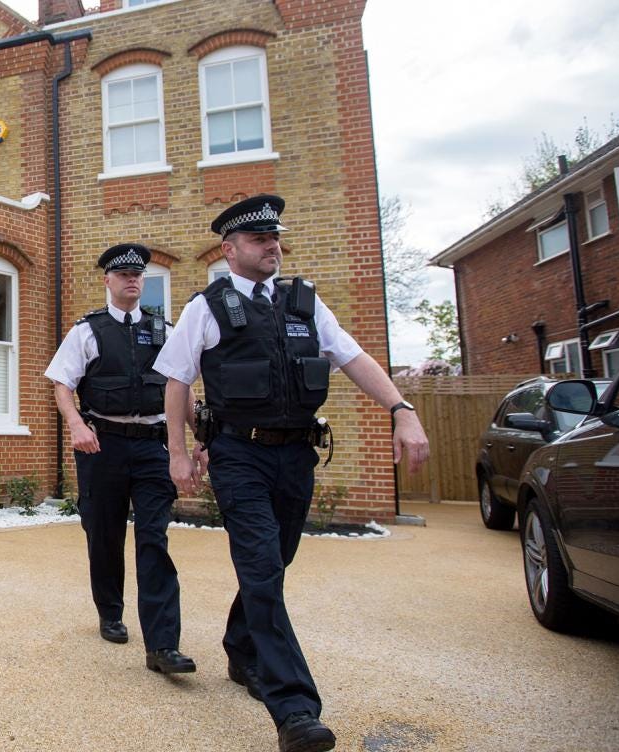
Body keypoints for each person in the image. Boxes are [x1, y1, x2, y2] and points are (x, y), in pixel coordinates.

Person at [153, 195, 430, 752]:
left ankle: (240, 646)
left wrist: (402, 410)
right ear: (230, 251)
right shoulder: (206, 308)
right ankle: (295, 709)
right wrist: (177, 453)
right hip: (239, 454)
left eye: (275, 238)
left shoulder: (304, 303)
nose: (272, 246)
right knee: (259, 565)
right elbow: (177, 381)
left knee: (274, 563)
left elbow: (353, 359)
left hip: (297, 455)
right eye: (259, 241)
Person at [44, 243, 195, 675]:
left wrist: (197, 438)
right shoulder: (87, 331)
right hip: (102, 445)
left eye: (138, 274)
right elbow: (62, 385)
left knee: (154, 537)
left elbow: (182, 387)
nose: (132, 280)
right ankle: (110, 611)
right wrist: (76, 424)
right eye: (123, 274)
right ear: (108, 280)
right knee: (104, 534)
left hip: (152, 446)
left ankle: (163, 645)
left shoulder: (164, 331)